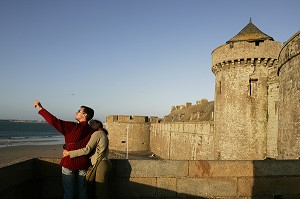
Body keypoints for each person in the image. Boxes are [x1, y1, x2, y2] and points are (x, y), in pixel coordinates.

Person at [34, 100, 94, 199]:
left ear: (85, 115)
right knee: (82, 191)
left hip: (69, 162)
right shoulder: (92, 131)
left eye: (79, 111)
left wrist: (40, 108)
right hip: (83, 163)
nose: (76, 112)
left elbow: (54, 121)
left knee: (68, 191)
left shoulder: (73, 127)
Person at [63, 119, 112, 199]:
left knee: (100, 190)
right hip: (104, 162)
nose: (90, 125)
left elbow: (87, 149)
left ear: (98, 124)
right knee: (100, 189)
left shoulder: (97, 133)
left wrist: (69, 153)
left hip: (100, 164)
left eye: (92, 123)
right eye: (89, 123)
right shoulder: (103, 134)